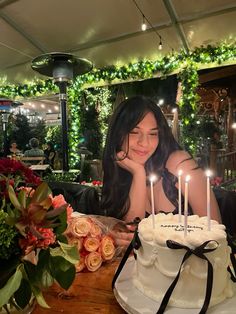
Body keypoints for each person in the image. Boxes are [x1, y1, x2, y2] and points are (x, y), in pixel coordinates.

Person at [101, 96, 221, 227]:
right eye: (134, 132)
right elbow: (130, 233)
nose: (144, 143)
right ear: (118, 135)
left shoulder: (179, 164)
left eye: (153, 134)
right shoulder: (120, 171)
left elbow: (215, 232)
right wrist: (138, 173)